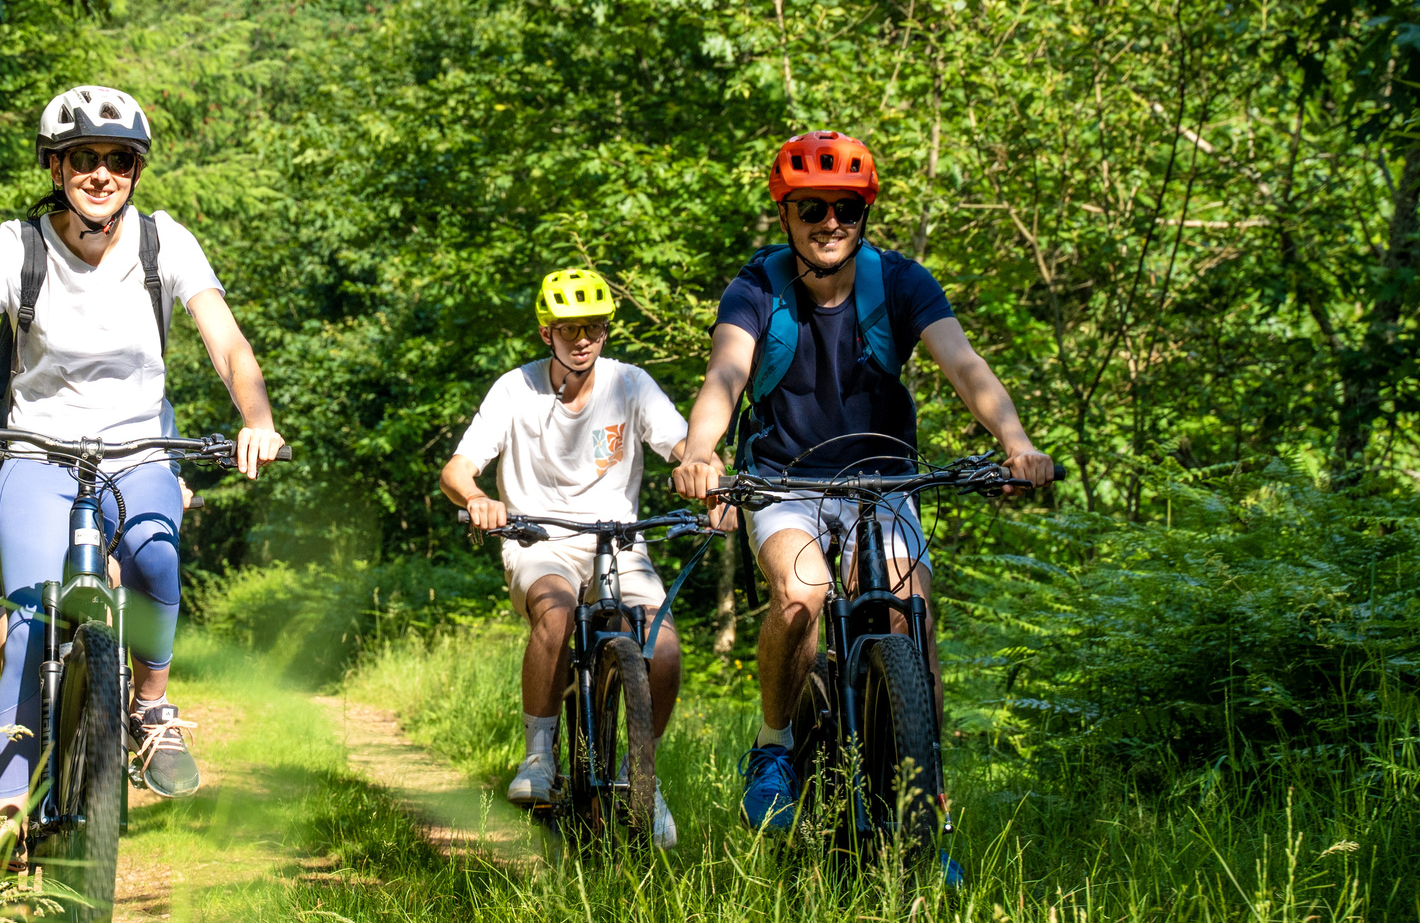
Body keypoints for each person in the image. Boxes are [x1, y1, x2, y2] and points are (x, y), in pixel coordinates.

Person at [0, 85, 284, 821]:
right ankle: (9, 814)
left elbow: (227, 344)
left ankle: (150, 708)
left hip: (140, 448)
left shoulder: (163, 241)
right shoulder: (16, 246)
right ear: (55, 167)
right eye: (84, 157)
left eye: (118, 159)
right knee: (29, 619)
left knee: (156, 554)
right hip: (38, 452)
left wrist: (256, 419)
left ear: (135, 171)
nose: (102, 173)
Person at [670, 130, 1055, 835]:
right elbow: (725, 374)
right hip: (783, 480)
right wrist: (702, 451)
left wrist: (1016, 442)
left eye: (845, 206)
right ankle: (776, 746)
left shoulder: (902, 282)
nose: (830, 223)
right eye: (811, 209)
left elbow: (964, 363)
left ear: (865, 211)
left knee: (911, 611)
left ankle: (924, 810)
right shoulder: (757, 287)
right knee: (802, 595)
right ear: (786, 216)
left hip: (884, 482)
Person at [441, 268, 692, 848]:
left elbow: (681, 445)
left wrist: (701, 473)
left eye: (595, 328)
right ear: (545, 333)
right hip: (538, 541)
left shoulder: (629, 384)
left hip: (619, 543)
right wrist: (478, 499)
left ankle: (641, 777)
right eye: (570, 329)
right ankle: (539, 756)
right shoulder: (514, 390)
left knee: (665, 643)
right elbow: (457, 470)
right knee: (554, 614)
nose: (583, 340)